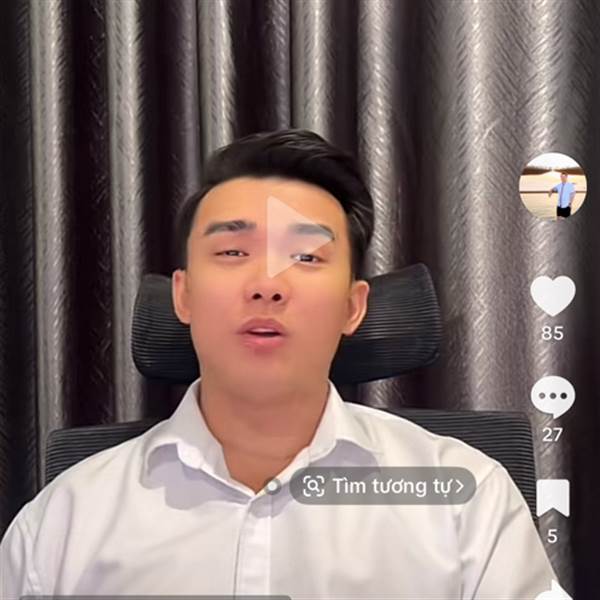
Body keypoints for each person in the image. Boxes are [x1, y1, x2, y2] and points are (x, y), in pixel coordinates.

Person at [1, 129, 558, 599]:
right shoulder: (66, 519)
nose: (267, 285)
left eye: (306, 257)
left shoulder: (467, 498)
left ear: (353, 307)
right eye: (233, 252)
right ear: (183, 296)